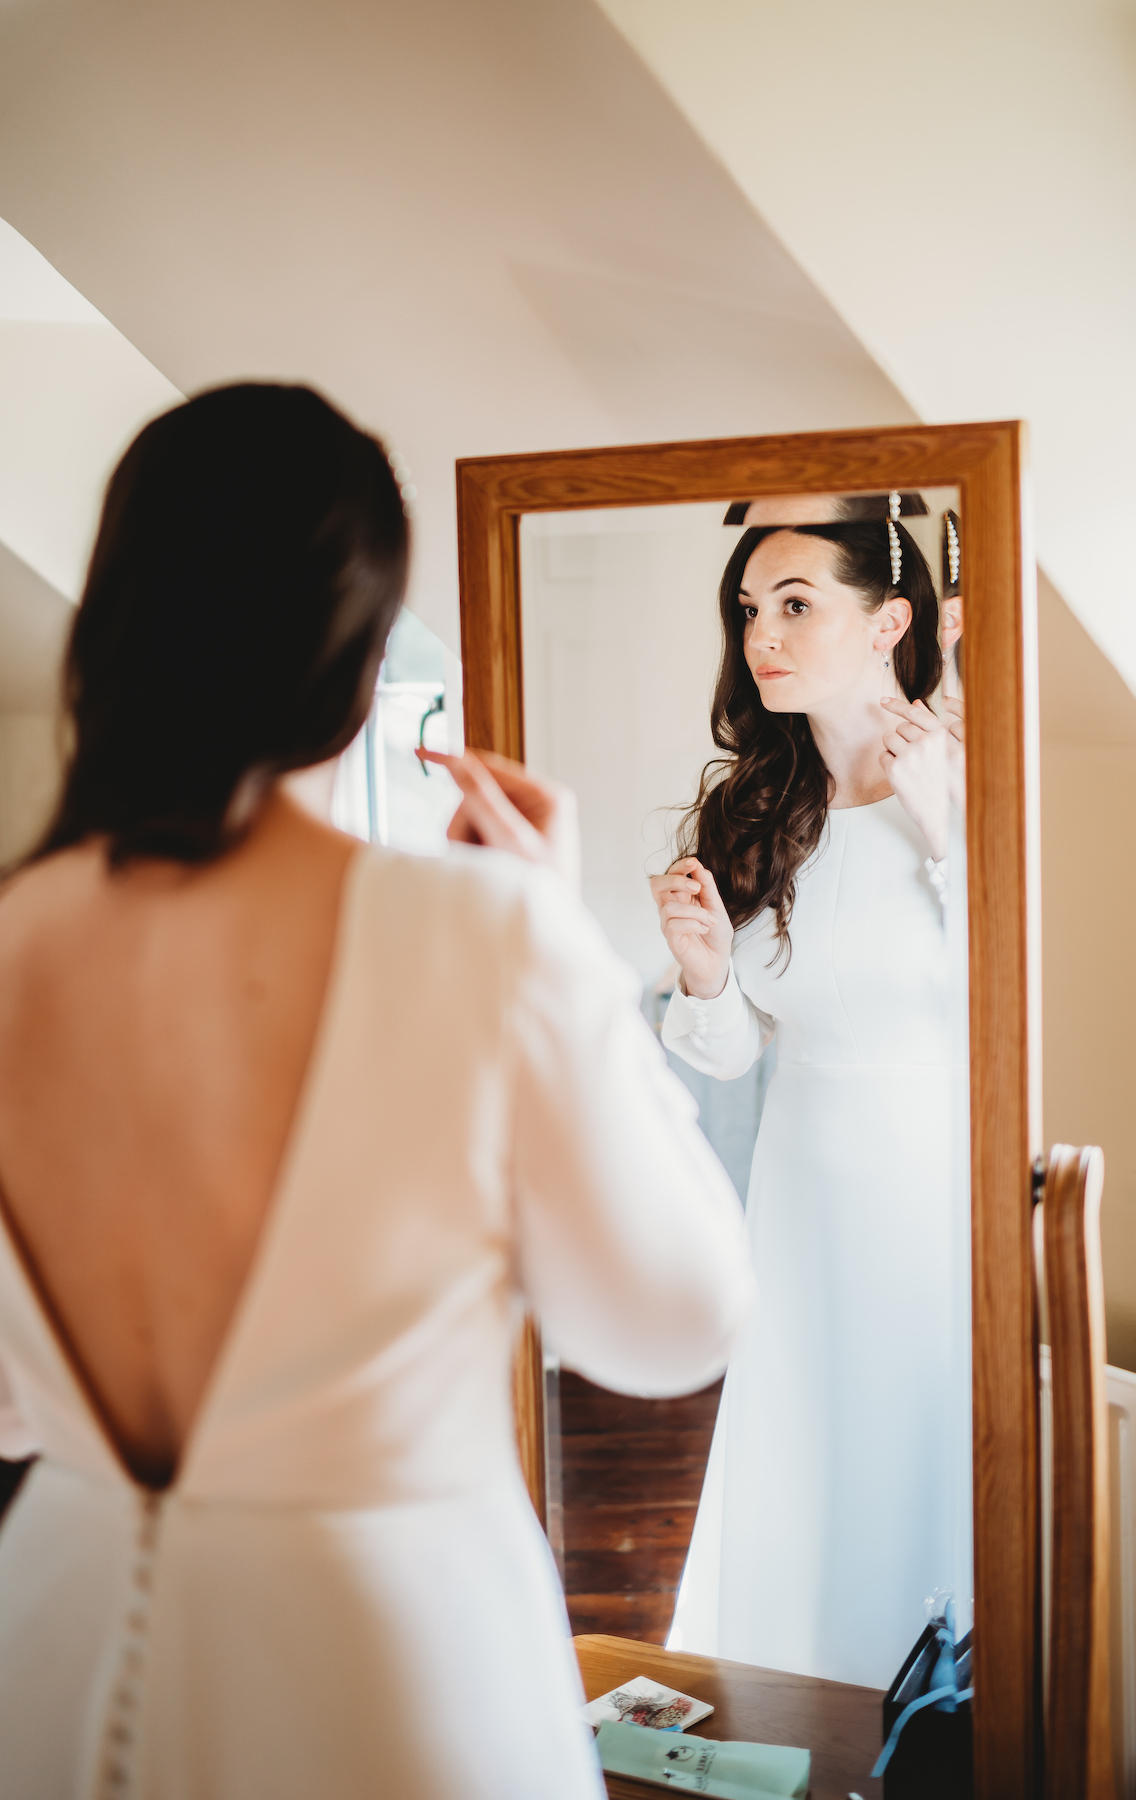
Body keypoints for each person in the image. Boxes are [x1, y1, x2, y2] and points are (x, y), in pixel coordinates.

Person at [0, 383, 753, 1800]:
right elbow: (669, 1319)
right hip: (389, 1672)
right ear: (357, 659)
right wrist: (560, 938)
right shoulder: (479, 932)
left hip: (51, 1653)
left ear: (116, 620)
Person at [652, 518, 963, 1688]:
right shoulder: (753, 815)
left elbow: (1012, 1006)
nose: (762, 635)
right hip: (800, 1187)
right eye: (748, 610)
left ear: (889, 622)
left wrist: (944, 837)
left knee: (913, 1453)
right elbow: (731, 1059)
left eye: (793, 604)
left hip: (933, 1186)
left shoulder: (968, 779)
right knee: (804, 1455)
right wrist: (704, 974)